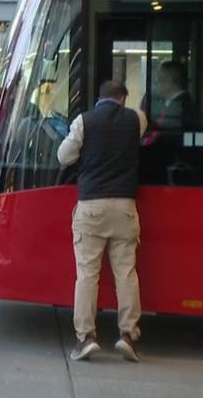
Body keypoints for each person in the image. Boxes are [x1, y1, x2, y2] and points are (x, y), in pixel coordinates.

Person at [57, 80, 147, 363]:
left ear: (99, 98)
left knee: (87, 274)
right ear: (123, 99)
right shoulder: (136, 119)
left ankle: (86, 338)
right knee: (126, 273)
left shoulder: (84, 121)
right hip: (125, 207)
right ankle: (129, 336)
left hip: (91, 206)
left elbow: (64, 156)